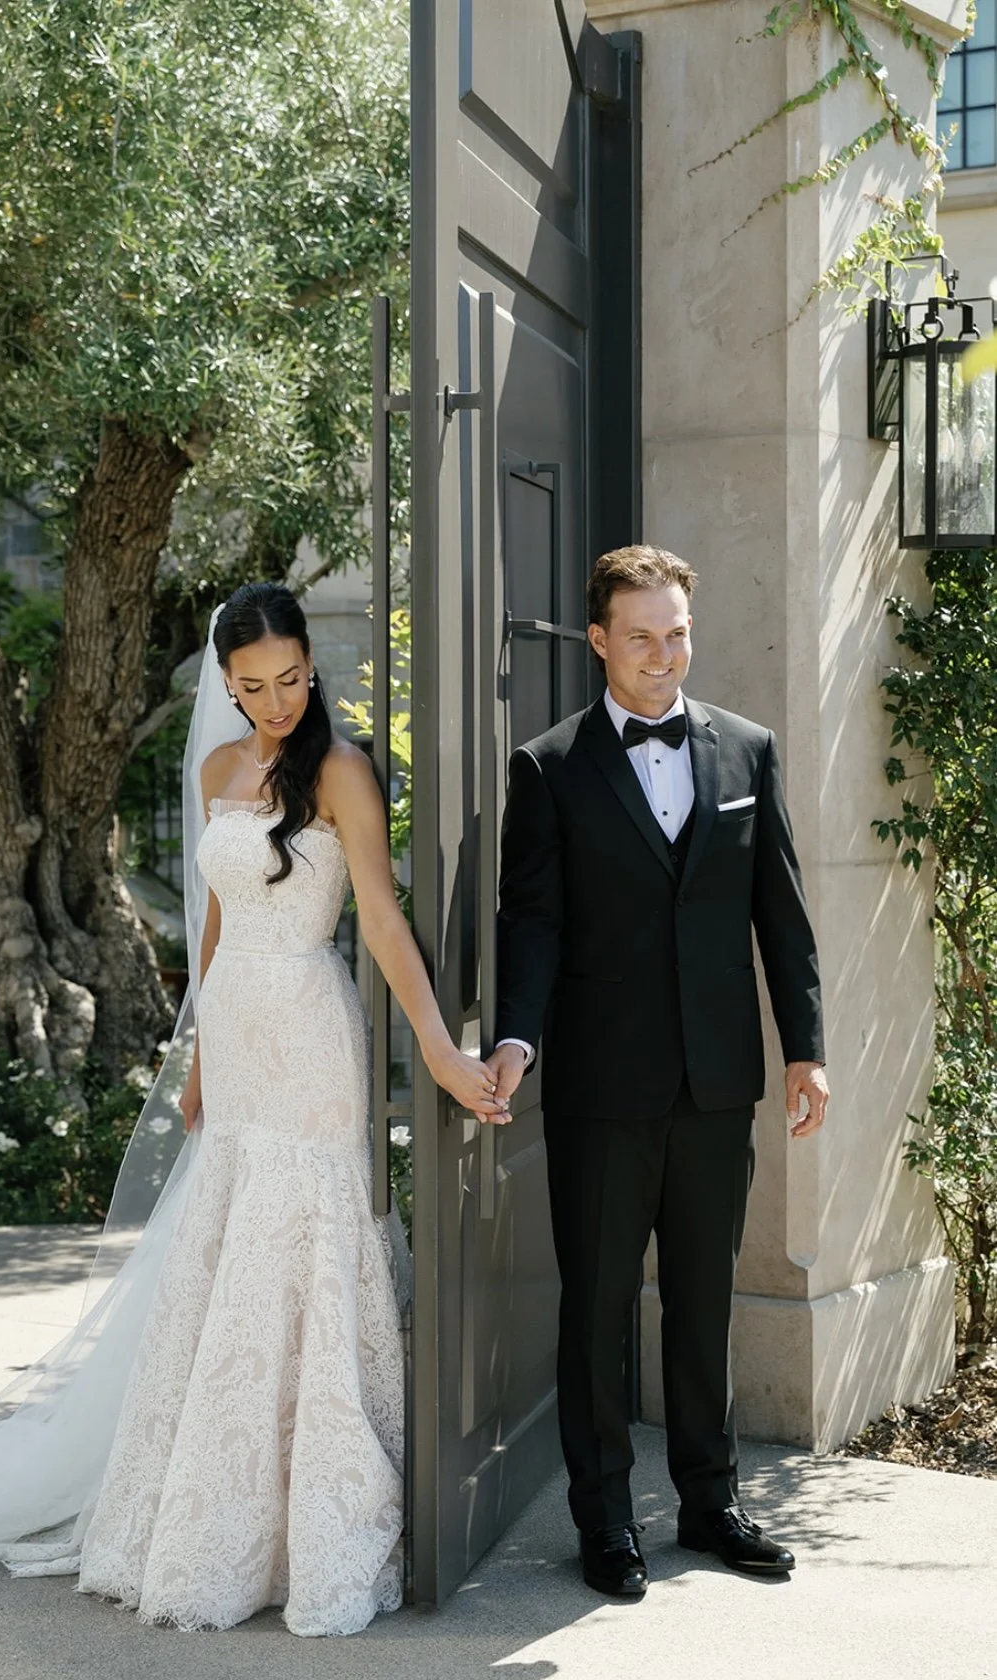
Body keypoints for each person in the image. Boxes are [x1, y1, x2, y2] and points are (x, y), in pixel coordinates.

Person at [0, 581, 505, 1637]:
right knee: (225, 1250)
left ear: (309, 669)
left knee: (304, 1240)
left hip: (310, 1033)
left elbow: (378, 919)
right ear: (225, 688)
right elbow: (220, 922)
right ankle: (208, 1500)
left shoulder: (342, 772)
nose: (273, 703)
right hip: (235, 1036)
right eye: (249, 687)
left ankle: (299, 1521)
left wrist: (437, 1049)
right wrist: (195, 1056)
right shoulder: (219, 769)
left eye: (287, 680)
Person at [486, 545, 828, 1599]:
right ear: (599, 640)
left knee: (702, 1300)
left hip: (720, 1083)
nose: (664, 654)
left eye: (677, 632)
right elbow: (530, 925)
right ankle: (603, 1521)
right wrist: (515, 1038)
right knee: (594, 1308)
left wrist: (806, 1047)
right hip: (600, 1088)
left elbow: (783, 911)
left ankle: (711, 1502)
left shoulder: (750, 751)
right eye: (642, 636)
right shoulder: (548, 767)